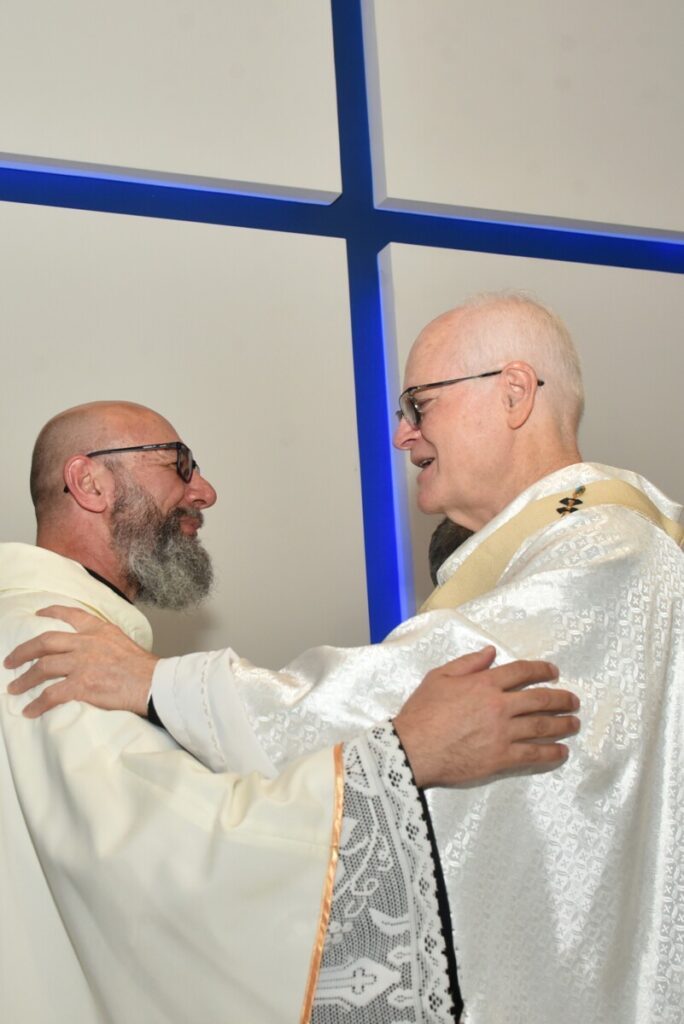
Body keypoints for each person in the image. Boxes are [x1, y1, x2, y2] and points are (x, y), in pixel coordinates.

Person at [14, 291, 683, 1022]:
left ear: (515, 393)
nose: (402, 434)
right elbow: (165, 855)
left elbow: (418, 686)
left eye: (418, 405)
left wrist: (165, 685)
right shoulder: (43, 640)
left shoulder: (607, 544)